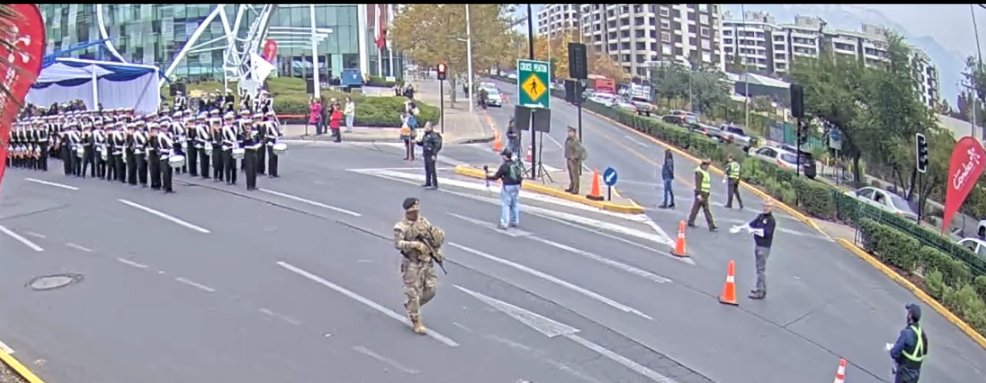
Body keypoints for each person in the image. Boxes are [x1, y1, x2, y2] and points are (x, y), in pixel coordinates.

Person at [393, 197, 445, 335]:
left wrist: (437, 249)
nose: (416, 212)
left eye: (417, 209)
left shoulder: (423, 222)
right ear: (408, 211)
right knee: (412, 293)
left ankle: (412, 306)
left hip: (426, 261)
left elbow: (432, 237)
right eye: (413, 209)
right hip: (412, 263)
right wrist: (415, 245)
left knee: (431, 289)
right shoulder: (401, 227)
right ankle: (416, 321)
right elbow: (398, 244)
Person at [731, 200, 776, 300]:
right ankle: (760, 288)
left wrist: (754, 231)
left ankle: (760, 291)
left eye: (768, 206)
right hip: (758, 245)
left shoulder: (771, 220)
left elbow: (766, 233)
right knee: (759, 268)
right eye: (764, 205)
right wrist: (740, 228)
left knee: (760, 269)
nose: (765, 208)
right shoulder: (760, 216)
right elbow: (751, 225)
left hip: (764, 247)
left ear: (772, 208)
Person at [485, 149, 524, 229]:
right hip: (516, 186)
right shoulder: (515, 164)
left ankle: (504, 223)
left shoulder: (504, 166)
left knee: (506, 204)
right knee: (515, 203)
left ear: (505, 157)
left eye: (503, 155)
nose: (502, 157)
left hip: (508, 186)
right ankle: (515, 221)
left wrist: (488, 177)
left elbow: (496, 177)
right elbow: (520, 176)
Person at [890, 303, 927, 383]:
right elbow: (924, 351)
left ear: (910, 315)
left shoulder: (906, 333)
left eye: (908, 313)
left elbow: (894, 353)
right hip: (915, 375)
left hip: (904, 374)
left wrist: (892, 348)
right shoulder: (921, 333)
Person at [687, 159, 718, 231]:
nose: (708, 167)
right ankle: (711, 225)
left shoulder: (704, 172)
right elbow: (698, 184)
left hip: (705, 193)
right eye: (707, 165)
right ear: (704, 165)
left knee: (697, 208)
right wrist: (698, 194)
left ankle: (691, 221)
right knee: (705, 209)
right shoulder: (699, 172)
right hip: (701, 193)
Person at [417, 122, 442, 189]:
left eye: (426, 126)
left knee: (432, 169)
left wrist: (434, 154)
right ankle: (428, 183)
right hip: (426, 154)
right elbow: (423, 143)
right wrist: (417, 142)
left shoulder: (434, 135)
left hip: (431, 154)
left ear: (430, 127)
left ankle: (434, 184)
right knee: (427, 169)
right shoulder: (425, 135)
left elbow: (437, 145)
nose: (425, 128)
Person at [564, 126, 587, 194]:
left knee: (575, 175)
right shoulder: (568, 139)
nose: (569, 133)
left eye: (570, 132)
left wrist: (574, 157)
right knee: (571, 174)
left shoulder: (576, 141)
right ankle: (571, 186)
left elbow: (578, 150)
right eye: (568, 132)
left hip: (574, 161)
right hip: (568, 158)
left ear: (574, 133)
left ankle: (576, 189)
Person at [242, 120, 262, 191]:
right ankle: (249, 186)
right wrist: (248, 135)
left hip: (254, 152)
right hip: (248, 152)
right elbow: (243, 143)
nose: (248, 127)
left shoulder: (255, 133)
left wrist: (258, 145)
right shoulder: (243, 134)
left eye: (249, 126)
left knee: (254, 169)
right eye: (246, 126)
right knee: (249, 169)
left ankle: (254, 185)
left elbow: (259, 141)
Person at [158, 124, 176, 193]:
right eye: (163, 127)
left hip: (170, 154)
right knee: (165, 171)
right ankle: (165, 186)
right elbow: (157, 145)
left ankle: (169, 187)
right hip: (164, 155)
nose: (165, 128)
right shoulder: (159, 136)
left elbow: (173, 143)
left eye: (165, 127)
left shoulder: (170, 135)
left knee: (170, 171)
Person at [263, 112, 282, 178]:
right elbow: (265, 133)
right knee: (271, 157)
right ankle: (270, 173)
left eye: (272, 116)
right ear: (268, 117)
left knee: (275, 157)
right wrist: (267, 141)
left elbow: (277, 132)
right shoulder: (267, 124)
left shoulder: (275, 123)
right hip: (270, 141)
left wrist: (280, 133)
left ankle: (275, 172)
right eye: (270, 116)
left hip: (276, 141)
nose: (271, 117)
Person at [147, 123, 162, 190]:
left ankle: (159, 183)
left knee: (158, 169)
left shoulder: (159, 136)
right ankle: (153, 183)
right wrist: (149, 138)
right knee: (153, 169)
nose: (155, 131)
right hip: (152, 153)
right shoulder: (150, 137)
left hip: (158, 153)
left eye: (156, 129)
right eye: (153, 129)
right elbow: (145, 145)